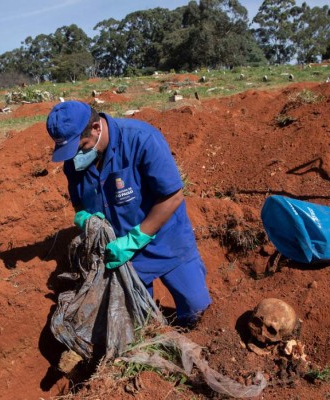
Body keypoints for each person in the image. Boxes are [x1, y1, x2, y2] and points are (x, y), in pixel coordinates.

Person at [46, 100, 211, 327]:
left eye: (81, 145)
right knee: (138, 324)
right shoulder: (74, 161)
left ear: (96, 128)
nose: (76, 154)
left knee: (198, 312)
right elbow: (79, 203)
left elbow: (173, 196)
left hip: (166, 241)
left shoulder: (141, 138)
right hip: (122, 255)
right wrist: (84, 217)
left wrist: (135, 239)